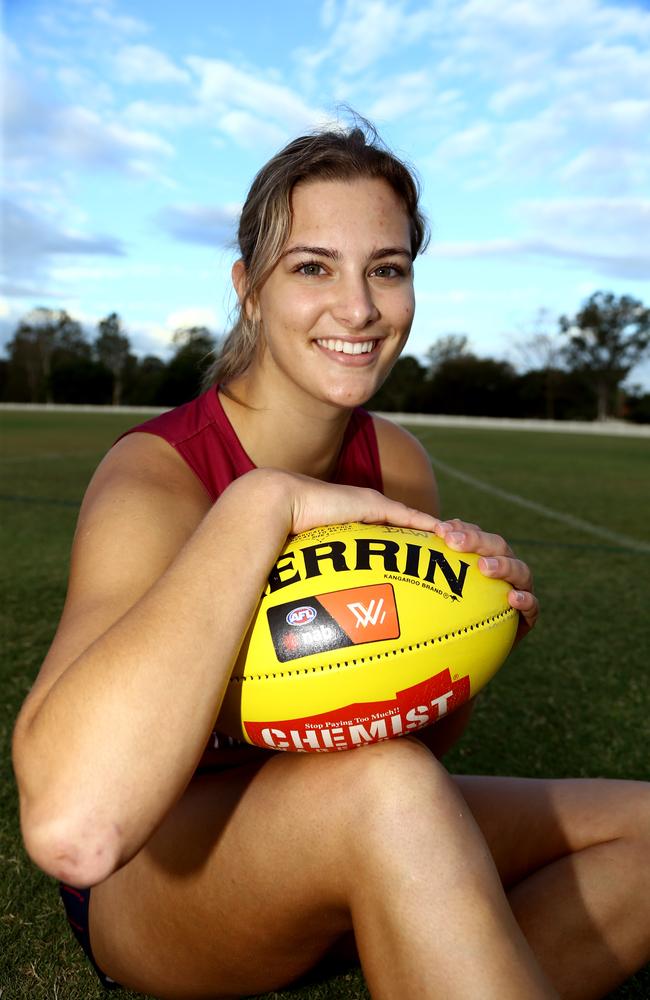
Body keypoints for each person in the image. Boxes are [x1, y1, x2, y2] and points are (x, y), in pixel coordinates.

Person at [12, 120, 650, 1000]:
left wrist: (470, 641)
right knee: (387, 788)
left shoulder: (396, 463)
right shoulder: (157, 477)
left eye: (386, 268)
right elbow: (77, 831)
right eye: (313, 267)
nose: (358, 308)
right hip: (159, 874)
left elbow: (406, 732)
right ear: (248, 288)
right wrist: (265, 503)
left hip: (356, 814)